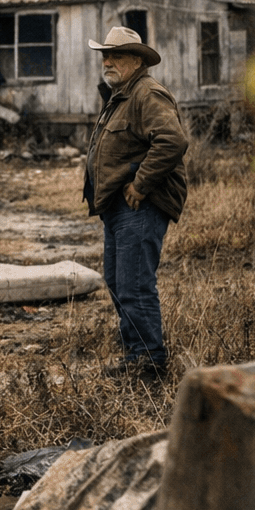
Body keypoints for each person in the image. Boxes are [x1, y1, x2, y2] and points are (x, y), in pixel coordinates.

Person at [83, 26, 189, 380]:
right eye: (104, 55)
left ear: (137, 60)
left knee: (134, 283)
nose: (107, 62)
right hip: (119, 206)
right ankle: (136, 356)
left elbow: (172, 141)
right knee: (117, 281)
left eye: (116, 55)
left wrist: (140, 185)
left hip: (139, 206)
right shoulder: (121, 95)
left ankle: (148, 362)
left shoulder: (147, 93)